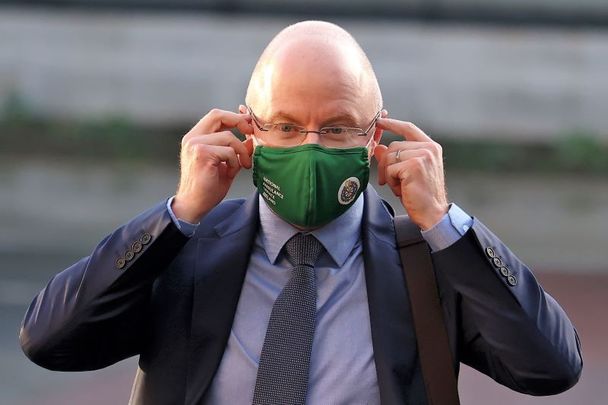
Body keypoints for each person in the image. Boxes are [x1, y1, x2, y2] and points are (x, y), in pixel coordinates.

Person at [20, 21, 582, 405]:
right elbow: (51, 342)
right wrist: (181, 210)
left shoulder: (427, 263)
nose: (310, 149)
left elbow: (549, 368)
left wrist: (442, 221)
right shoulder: (185, 249)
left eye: (337, 128)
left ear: (376, 136)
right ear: (246, 130)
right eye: (286, 126)